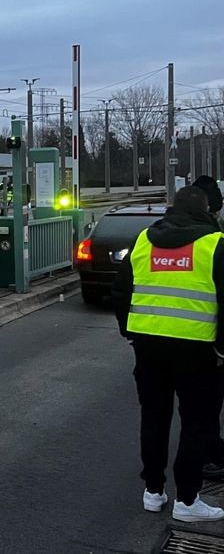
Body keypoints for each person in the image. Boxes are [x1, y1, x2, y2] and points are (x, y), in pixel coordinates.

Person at [113, 186, 224, 522]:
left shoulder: (145, 239)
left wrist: (130, 334)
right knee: (196, 424)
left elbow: (121, 291)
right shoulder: (215, 244)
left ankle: (153, 491)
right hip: (199, 351)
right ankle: (187, 501)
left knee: (154, 418)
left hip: (149, 348)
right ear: (206, 209)